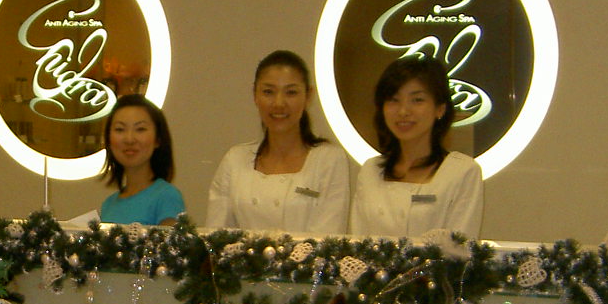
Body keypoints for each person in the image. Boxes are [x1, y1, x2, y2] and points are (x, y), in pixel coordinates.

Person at [205, 49, 350, 234]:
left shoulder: (329, 160)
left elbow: (327, 239)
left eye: (291, 92)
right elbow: (216, 236)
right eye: (268, 92)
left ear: (308, 96)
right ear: (255, 95)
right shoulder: (235, 160)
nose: (279, 103)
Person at [350, 55, 483, 240]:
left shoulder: (462, 171)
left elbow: (460, 248)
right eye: (394, 100)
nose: (403, 111)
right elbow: (358, 243)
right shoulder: (371, 170)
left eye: (417, 100)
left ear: (440, 109)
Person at [98, 94, 185, 225]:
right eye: (120, 129)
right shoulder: (109, 204)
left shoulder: (167, 196)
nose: (129, 139)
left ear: (158, 139)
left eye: (140, 129)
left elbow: (171, 238)